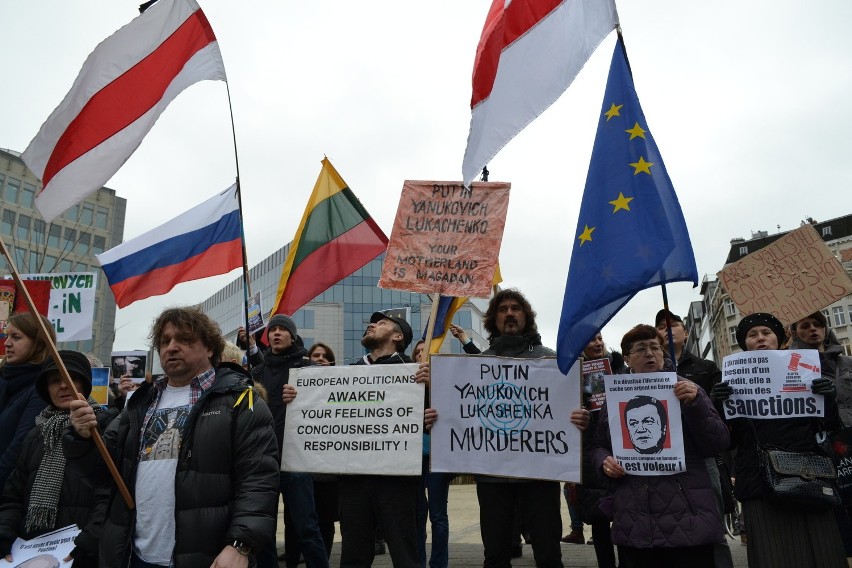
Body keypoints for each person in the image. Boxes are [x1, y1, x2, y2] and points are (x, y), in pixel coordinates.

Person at [65, 307, 280, 568]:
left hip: (208, 557)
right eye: (165, 341)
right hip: (134, 555)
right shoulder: (139, 404)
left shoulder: (242, 402)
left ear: (210, 348)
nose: (172, 347)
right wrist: (82, 438)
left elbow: (258, 480)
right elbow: (102, 473)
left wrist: (241, 545)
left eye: (185, 339)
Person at [466, 289, 591, 568]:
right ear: (493, 319)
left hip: (540, 475)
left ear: (527, 317)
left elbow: (574, 405)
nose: (509, 313)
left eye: (516, 308)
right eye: (502, 309)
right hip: (493, 477)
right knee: (496, 555)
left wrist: (582, 419)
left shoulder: (551, 360)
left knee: (548, 554)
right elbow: (463, 414)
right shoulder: (474, 365)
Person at [710, 313, 846, 567]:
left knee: (821, 553)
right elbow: (727, 442)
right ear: (745, 344)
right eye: (753, 335)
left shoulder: (807, 371)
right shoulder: (731, 382)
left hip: (809, 475)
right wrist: (717, 405)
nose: (760, 338)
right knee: (775, 556)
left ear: (780, 339)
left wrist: (827, 399)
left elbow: (829, 427)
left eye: (766, 333)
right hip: (759, 482)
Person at [590, 324, 729, 568]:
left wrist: (696, 404)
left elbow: (718, 443)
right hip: (635, 520)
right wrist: (604, 461)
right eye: (640, 349)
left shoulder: (686, 390)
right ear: (627, 359)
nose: (650, 354)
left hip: (687, 519)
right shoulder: (614, 398)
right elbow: (599, 445)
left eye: (655, 348)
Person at [333, 311, 434, 567]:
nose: (372, 325)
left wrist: (431, 393)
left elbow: (436, 422)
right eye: (373, 322)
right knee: (353, 556)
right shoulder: (348, 373)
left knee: (404, 554)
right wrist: (298, 398)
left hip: (397, 482)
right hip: (354, 479)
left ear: (398, 336)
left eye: (382, 323)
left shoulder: (414, 374)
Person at [0, 351, 118, 567]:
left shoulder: (108, 427)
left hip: (80, 554)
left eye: (71, 378)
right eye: (54, 380)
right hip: (30, 553)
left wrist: (88, 542)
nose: (63, 386)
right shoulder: (35, 434)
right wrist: (4, 534)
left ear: (85, 382)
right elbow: (13, 496)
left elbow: (111, 496)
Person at [655, 309, 733, 568]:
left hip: (701, 456)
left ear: (686, 332)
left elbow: (720, 419)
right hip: (665, 458)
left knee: (711, 521)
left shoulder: (707, 368)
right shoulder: (650, 370)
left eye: (673, 324)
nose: (667, 329)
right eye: (661, 326)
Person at [251, 315, 328, 568]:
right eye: (273, 329)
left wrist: (304, 394)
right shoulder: (257, 371)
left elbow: (329, 399)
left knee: (306, 526)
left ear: (292, 337)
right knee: (264, 528)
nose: (276, 333)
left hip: (296, 459)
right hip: (264, 461)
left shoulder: (308, 369)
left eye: (283, 330)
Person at [573, 335, 619, 568]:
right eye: (590, 340)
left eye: (600, 338)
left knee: (624, 514)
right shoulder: (572, 375)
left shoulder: (618, 368)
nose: (597, 343)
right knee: (599, 519)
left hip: (618, 450)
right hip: (590, 453)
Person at [412, 338, 455, 568]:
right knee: (418, 514)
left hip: (438, 458)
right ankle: (417, 561)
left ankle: (439, 563)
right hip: (413, 458)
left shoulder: (445, 384)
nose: (422, 354)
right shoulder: (405, 384)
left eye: (426, 351)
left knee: (438, 516)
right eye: (418, 352)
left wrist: (432, 385)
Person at [0, 312, 55, 491]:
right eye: (6, 336)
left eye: (16, 337)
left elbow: (18, 448)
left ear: (38, 343)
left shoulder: (41, 390)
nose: (7, 343)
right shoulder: (4, 379)